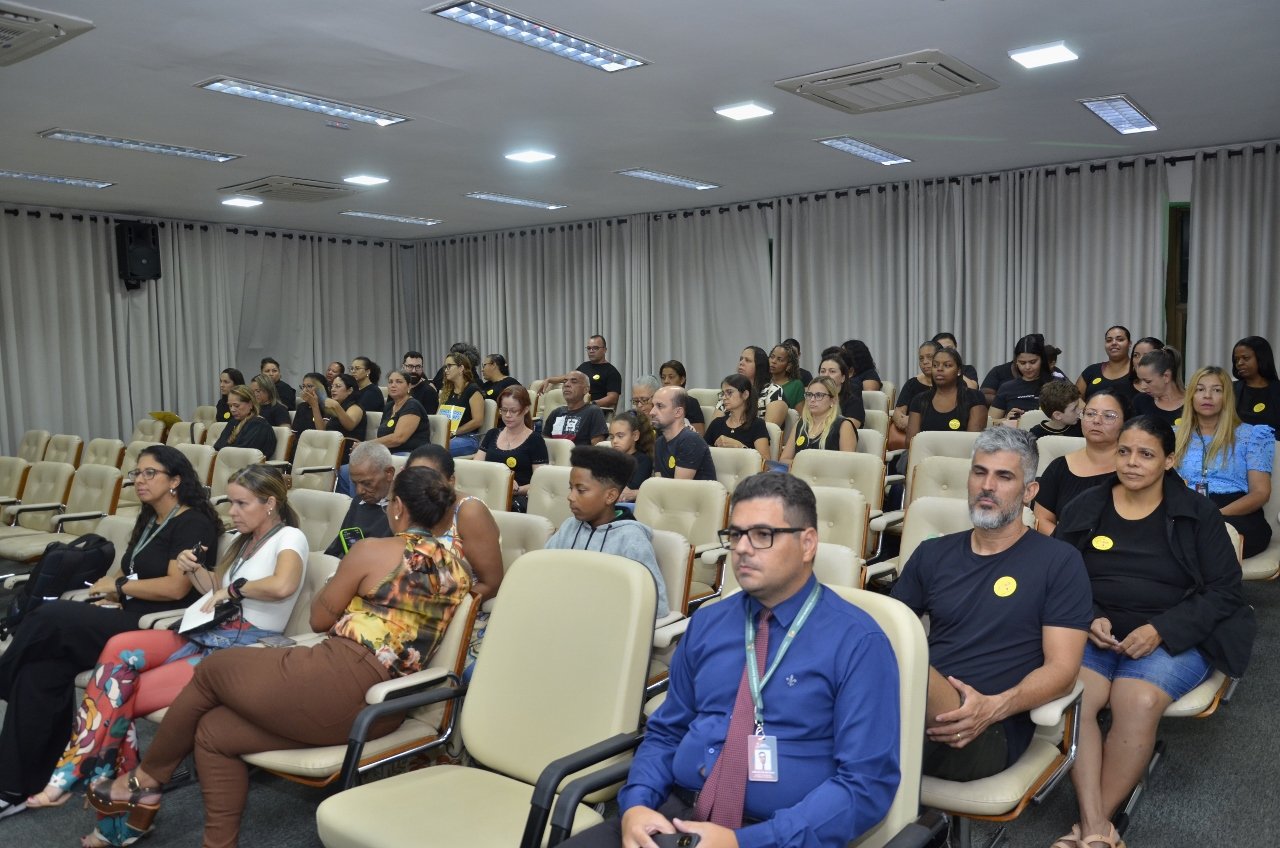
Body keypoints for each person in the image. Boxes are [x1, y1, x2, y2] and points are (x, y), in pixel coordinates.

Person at [86, 467, 472, 848]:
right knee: (214, 732)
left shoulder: (371, 550)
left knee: (215, 668)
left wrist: (337, 586)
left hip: (339, 679)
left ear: (398, 506)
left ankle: (145, 779)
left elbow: (319, 620)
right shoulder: (459, 568)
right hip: (383, 711)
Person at [559, 473, 900, 848]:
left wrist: (747, 842)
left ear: (807, 544)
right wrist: (637, 805)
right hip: (674, 814)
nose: (742, 549)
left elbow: (865, 785)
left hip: (780, 833)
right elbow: (667, 732)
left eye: (762, 535)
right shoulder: (708, 623)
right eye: (736, 535)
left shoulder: (858, 643)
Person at [39, 466, 306, 833]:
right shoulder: (244, 541)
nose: (232, 512)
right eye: (231, 503)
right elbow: (215, 591)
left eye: (242, 504)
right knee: (120, 645)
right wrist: (194, 571)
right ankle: (97, 778)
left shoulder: (289, 536)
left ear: (270, 503)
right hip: (210, 631)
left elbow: (282, 585)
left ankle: (104, 795)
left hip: (241, 647)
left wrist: (232, 589)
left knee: (122, 694)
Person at [1052, 416, 1254, 848]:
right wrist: (1088, 616)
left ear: (1169, 460)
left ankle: (1090, 826)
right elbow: (1057, 575)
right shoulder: (1087, 506)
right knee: (1077, 697)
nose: (1131, 462)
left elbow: (1225, 591)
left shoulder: (1197, 513)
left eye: (1146, 454)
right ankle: (1097, 829)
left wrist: (1161, 629)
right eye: (1124, 451)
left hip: (1173, 634)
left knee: (1137, 700)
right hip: (1095, 634)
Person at [0, 446, 219, 818]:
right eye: (137, 474)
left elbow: (175, 588)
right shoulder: (150, 519)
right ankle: (16, 786)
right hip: (125, 616)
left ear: (175, 480)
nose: (139, 481)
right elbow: (129, 571)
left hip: (156, 629)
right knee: (41, 669)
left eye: (150, 473)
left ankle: (4, 674)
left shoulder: (192, 522)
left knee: (51, 615)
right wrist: (115, 590)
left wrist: (120, 588)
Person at [891, 427, 1092, 782]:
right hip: (912, 709)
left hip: (985, 729)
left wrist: (994, 707)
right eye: (979, 472)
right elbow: (889, 634)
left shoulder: (1059, 562)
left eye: (1004, 477)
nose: (987, 486)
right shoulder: (932, 554)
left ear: (1029, 491)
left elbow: (1063, 672)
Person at [546, 446, 669, 618]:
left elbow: (657, 606)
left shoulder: (631, 539)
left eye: (581, 490)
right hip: (560, 615)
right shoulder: (569, 527)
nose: (570, 497)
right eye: (570, 488)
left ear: (610, 496)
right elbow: (542, 572)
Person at [1174, 366, 1275, 558]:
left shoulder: (1252, 435)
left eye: (1216, 390)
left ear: (1227, 396)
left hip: (1237, 512)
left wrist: (1217, 514)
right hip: (1188, 508)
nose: (1207, 396)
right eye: (1200, 389)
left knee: (1213, 536)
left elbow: (1261, 493)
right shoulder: (1174, 436)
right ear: (1191, 396)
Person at [405, 445, 504, 603]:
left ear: (450, 481)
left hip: (461, 607)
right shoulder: (407, 506)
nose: (420, 486)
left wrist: (435, 607)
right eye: (414, 478)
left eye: (429, 480)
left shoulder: (470, 512)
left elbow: (491, 584)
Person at [1034, 389, 1129, 536]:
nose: (1096, 421)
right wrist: (1068, 545)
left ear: (1126, 423)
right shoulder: (1058, 467)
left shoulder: (1134, 469)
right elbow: (1041, 519)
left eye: (1109, 416)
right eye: (1090, 414)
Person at [476, 385, 548, 512]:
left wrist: (516, 489)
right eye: (503, 410)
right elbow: (475, 467)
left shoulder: (535, 440)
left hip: (517, 499)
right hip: (488, 492)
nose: (507, 415)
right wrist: (499, 481)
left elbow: (541, 483)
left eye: (513, 411)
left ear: (526, 409)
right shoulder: (492, 434)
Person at [324, 442, 394, 557]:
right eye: (354, 483)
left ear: (389, 473)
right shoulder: (358, 501)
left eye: (367, 483)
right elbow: (339, 546)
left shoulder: (403, 510)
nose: (359, 491)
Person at [905, 347, 987, 443]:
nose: (939, 369)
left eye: (947, 365)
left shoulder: (975, 397)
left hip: (961, 452)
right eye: (935, 365)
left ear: (959, 370)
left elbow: (973, 442)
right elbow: (911, 442)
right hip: (926, 452)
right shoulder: (919, 400)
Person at [779, 377, 857, 466]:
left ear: (833, 400)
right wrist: (804, 465)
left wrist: (810, 466)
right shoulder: (801, 424)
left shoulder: (844, 425)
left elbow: (847, 464)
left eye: (819, 395)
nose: (812, 399)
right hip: (800, 473)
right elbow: (784, 460)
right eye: (809, 395)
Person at [541, 335, 623, 410]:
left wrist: (591, 404)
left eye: (595, 348)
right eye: (589, 348)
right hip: (576, 407)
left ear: (604, 350)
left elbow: (613, 398)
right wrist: (549, 380)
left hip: (595, 410)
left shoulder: (612, 372)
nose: (591, 351)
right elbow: (568, 378)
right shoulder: (584, 366)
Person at [651, 386, 717, 481]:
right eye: (652, 405)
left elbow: (679, 488)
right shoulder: (660, 442)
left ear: (678, 412)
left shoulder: (690, 440)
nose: (652, 412)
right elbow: (660, 483)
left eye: (660, 406)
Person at [704, 374, 770, 463]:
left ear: (745, 395)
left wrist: (740, 447)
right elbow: (701, 454)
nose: (724, 397)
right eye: (723, 393)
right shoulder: (716, 423)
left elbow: (765, 464)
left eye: (729, 392)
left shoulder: (757, 424)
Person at [991, 335, 1057, 422]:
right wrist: (1006, 420)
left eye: (1033, 362)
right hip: (1015, 430)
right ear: (1016, 362)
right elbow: (990, 422)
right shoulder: (1007, 387)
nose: (1027, 367)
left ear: (1042, 360)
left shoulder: (1056, 385)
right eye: (1022, 363)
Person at [891, 340, 941, 448]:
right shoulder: (912, 384)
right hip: (913, 440)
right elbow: (898, 413)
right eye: (921, 358)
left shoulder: (950, 385)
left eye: (929, 357)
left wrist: (915, 422)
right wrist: (907, 424)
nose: (925, 362)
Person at [438, 353, 485, 457]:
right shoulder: (447, 391)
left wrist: (454, 432)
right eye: (445, 367)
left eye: (449, 366)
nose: (446, 370)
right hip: (447, 436)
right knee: (423, 446)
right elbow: (439, 417)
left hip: (468, 438)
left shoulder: (473, 390)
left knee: (436, 449)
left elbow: (478, 421)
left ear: (461, 368)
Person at [1232, 335, 1280, 436]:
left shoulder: (1277, 390)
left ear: (1261, 358)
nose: (1239, 363)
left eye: (1245, 358)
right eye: (1236, 360)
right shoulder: (1230, 389)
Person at [375, 370, 432, 455]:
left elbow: (398, 439)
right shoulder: (389, 406)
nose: (393, 385)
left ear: (409, 386)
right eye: (390, 382)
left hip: (412, 454)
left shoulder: (412, 406)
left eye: (399, 382)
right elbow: (381, 436)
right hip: (389, 453)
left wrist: (366, 445)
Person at [211, 385, 277, 457]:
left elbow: (243, 454)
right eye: (230, 406)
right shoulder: (233, 422)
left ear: (250, 404)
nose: (232, 409)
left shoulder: (259, 425)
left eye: (236, 406)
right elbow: (218, 447)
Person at [545, 371, 608, 446]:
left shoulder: (593, 412)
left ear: (585, 390)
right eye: (565, 382)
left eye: (574, 382)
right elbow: (545, 442)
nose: (567, 385)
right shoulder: (556, 412)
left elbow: (597, 448)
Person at [1076, 325, 1137, 403]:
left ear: (1130, 343)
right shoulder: (1091, 371)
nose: (1113, 343)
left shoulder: (1138, 370)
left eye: (1120, 339)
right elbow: (1075, 400)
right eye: (1109, 340)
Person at [607, 410, 654, 503]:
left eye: (620, 436)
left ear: (635, 435)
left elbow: (628, 491)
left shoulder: (643, 460)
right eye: (612, 437)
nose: (615, 441)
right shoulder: (609, 458)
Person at [1133, 347, 1185, 428]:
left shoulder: (1193, 403)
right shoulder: (1140, 402)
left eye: (1148, 381)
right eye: (1140, 380)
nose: (1142, 387)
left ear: (1166, 376)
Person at [818, 348, 866, 428]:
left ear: (843, 377)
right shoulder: (814, 397)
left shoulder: (852, 399)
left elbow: (851, 426)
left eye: (832, 371)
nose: (826, 375)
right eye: (823, 371)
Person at [660, 360, 706, 435]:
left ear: (682, 380)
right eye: (663, 377)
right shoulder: (658, 402)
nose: (666, 381)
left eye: (671, 377)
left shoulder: (690, 402)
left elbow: (699, 434)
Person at [323, 373, 367, 442]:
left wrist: (336, 406)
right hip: (332, 443)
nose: (333, 389)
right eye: (332, 386)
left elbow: (350, 426)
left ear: (349, 390)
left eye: (338, 386)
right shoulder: (335, 406)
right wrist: (315, 406)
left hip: (348, 445)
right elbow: (322, 430)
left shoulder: (355, 407)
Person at [764, 343, 805, 411]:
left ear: (789, 365)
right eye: (772, 357)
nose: (773, 361)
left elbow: (800, 415)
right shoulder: (764, 382)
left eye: (780, 359)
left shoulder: (796, 385)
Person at [292, 372, 330, 437]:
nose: (305, 390)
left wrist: (314, 406)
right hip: (302, 442)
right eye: (303, 386)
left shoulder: (329, 406)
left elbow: (322, 433)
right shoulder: (301, 406)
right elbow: (294, 433)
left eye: (309, 386)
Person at [402, 350, 439, 415]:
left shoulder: (429, 392)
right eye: (410, 366)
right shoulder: (396, 387)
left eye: (418, 367)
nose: (414, 371)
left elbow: (428, 419)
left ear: (422, 368)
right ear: (403, 367)